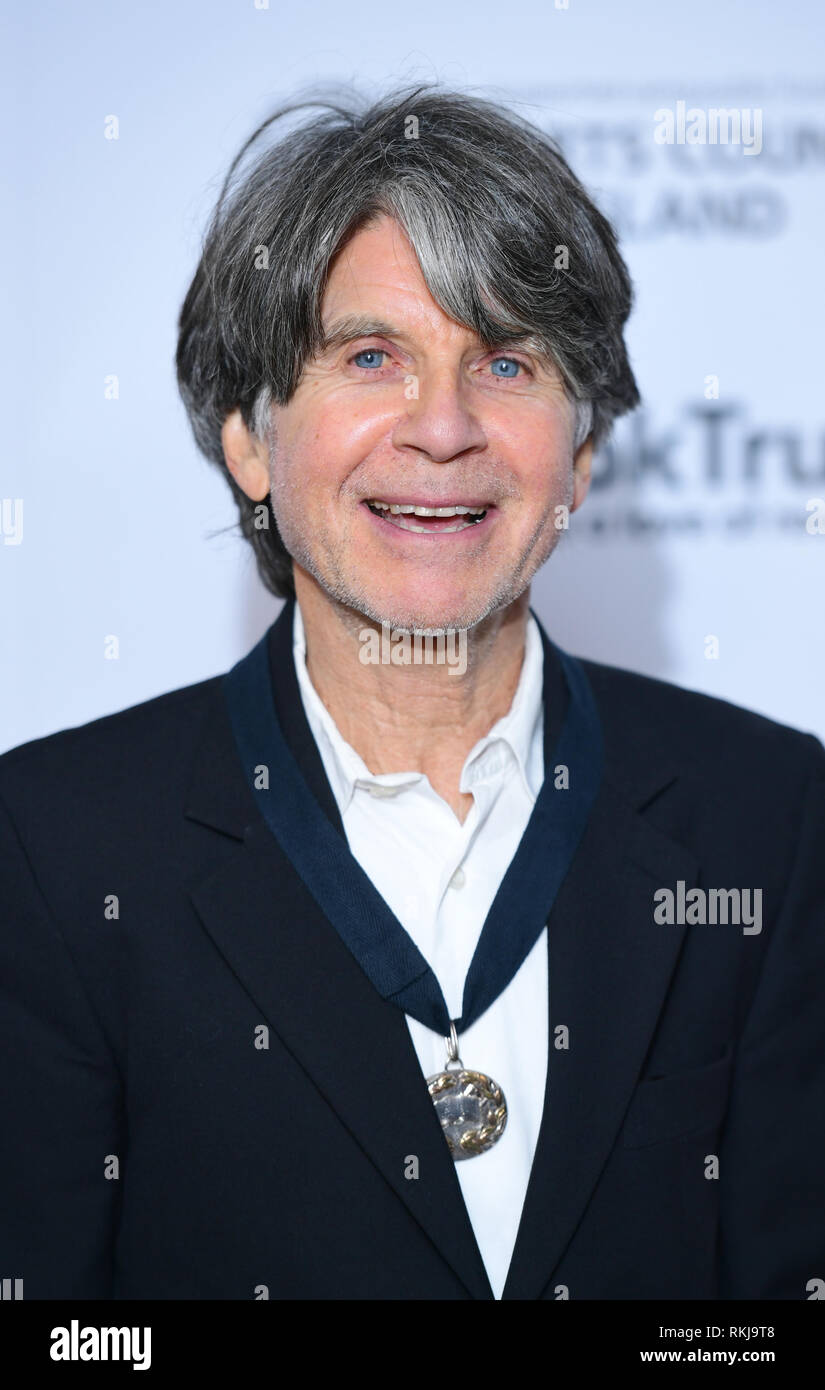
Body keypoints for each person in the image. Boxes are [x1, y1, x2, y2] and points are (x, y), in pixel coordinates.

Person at [1, 85, 823, 1301]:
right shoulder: (55, 847)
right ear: (247, 435)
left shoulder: (774, 815)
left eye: (504, 360)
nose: (443, 428)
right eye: (371, 357)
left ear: (581, 451)